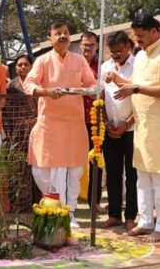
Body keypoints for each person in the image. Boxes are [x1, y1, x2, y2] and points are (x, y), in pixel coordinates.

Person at [108, 14, 160, 243]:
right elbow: (135, 86)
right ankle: (146, 221)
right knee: (142, 177)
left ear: (155, 31)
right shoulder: (140, 56)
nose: (137, 40)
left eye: (141, 36)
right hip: (141, 125)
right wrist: (118, 80)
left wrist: (136, 89)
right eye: (135, 36)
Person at [24, 22, 96, 229]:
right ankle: (53, 207)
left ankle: (69, 212)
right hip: (50, 124)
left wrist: (92, 90)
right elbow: (29, 84)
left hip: (74, 123)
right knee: (43, 169)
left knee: (74, 170)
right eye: (58, 33)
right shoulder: (43, 60)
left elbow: (91, 84)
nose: (63, 36)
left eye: (66, 33)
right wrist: (46, 92)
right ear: (50, 38)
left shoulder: (79, 60)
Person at [98, 30, 138, 231]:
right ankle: (114, 214)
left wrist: (126, 124)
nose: (115, 55)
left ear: (128, 46)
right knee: (113, 174)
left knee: (132, 175)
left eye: (118, 51)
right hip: (111, 129)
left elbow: (142, 100)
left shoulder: (138, 65)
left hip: (132, 129)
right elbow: (102, 97)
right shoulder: (105, 67)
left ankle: (131, 216)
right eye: (112, 51)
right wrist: (106, 123)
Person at [6, 54, 40, 210]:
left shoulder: (38, 84)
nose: (22, 67)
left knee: (37, 168)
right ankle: (18, 205)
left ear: (31, 66)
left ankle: (37, 202)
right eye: (19, 65)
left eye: (26, 64)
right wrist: (13, 132)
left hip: (38, 131)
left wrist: (36, 120)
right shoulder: (10, 87)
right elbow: (6, 113)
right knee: (19, 169)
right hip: (18, 135)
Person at [79, 31, 104, 214]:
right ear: (80, 45)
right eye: (85, 44)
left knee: (95, 161)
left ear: (97, 46)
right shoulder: (72, 64)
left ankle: (94, 201)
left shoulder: (102, 66)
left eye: (92, 44)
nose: (88, 48)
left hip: (95, 121)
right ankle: (70, 201)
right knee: (72, 162)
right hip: (74, 119)